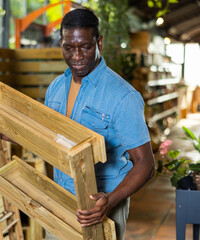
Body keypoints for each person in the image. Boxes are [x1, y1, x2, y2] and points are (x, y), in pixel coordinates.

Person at [43, 8, 155, 240]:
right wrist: (3, 133)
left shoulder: (123, 96)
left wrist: (110, 201)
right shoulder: (55, 88)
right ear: (61, 44)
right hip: (60, 199)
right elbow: (48, 134)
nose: (76, 56)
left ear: (99, 42)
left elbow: (145, 164)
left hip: (101, 205)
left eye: (85, 46)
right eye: (69, 48)